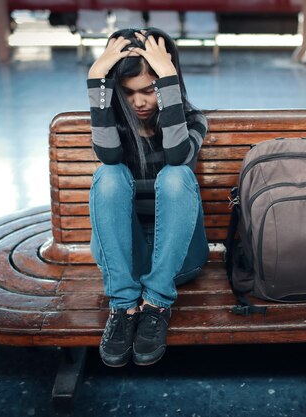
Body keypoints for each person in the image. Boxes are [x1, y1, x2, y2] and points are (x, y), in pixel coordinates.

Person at [86, 27, 209, 367]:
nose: (139, 102)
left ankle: (156, 305)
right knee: (108, 174)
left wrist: (167, 77)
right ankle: (123, 307)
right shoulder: (112, 124)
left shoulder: (193, 121)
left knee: (176, 175)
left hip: (177, 258)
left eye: (150, 90)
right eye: (128, 92)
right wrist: (97, 77)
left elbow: (176, 157)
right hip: (122, 261)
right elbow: (109, 157)